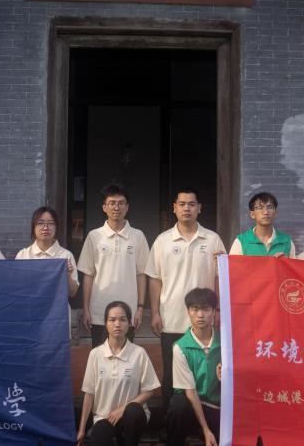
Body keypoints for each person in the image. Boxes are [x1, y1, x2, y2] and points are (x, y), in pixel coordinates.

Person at [145, 188, 225, 411]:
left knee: (206, 373)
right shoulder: (162, 241)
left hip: (204, 320)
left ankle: (204, 418)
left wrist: (218, 310)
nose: (186, 208)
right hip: (172, 318)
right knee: (171, 374)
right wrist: (155, 312)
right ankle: (172, 420)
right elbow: (155, 279)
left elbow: (220, 277)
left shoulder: (212, 239)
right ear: (174, 208)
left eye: (191, 204)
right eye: (182, 204)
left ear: (199, 208)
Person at [76, 301, 160, 446]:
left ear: (129, 323)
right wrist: (82, 429)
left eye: (122, 319)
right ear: (105, 324)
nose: (117, 324)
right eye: (112, 320)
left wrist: (123, 409)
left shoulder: (139, 353)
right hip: (104, 417)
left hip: (133, 417)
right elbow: (89, 393)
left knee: (133, 411)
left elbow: (149, 390)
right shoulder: (95, 354)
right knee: (99, 440)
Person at [78, 185, 150, 348]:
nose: (116, 207)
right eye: (111, 203)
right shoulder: (94, 236)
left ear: (127, 207)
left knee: (126, 356)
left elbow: (141, 274)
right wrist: (86, 308)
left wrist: (140, 308)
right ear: (104, 207)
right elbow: (88, 275)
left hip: (128, 311)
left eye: (121, 203)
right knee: (100, 355)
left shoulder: (138, 236)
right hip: (99, 311)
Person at [166, 288, 221, 446]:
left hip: (215, 407)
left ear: (214, 312)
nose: (200, 315)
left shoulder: (226, 342)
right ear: (188, 312)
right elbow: (190, 391)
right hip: (191, 405)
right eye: (195, 309)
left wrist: (226, 378)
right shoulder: (180, 347)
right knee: (179, 406)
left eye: (206, 309)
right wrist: (205, 429)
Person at [15, 206, 79, 298]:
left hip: (57, 307)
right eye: (40, 223)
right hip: (30, 306)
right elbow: (16, 288)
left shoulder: (66, 255)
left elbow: (72, 293)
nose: (45, 227)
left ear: (56, 227)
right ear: (33, 227)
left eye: (51, 223)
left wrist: (67, 276)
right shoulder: (23, 255)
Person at [228, 192, 295, 257]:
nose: (266, 212)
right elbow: (232, 264)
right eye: (260, 208)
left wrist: (284, 261)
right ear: (252, 214)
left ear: (275, 213)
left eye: (269, 207)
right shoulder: (241, 241)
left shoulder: (286, 241)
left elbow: (293, 264)